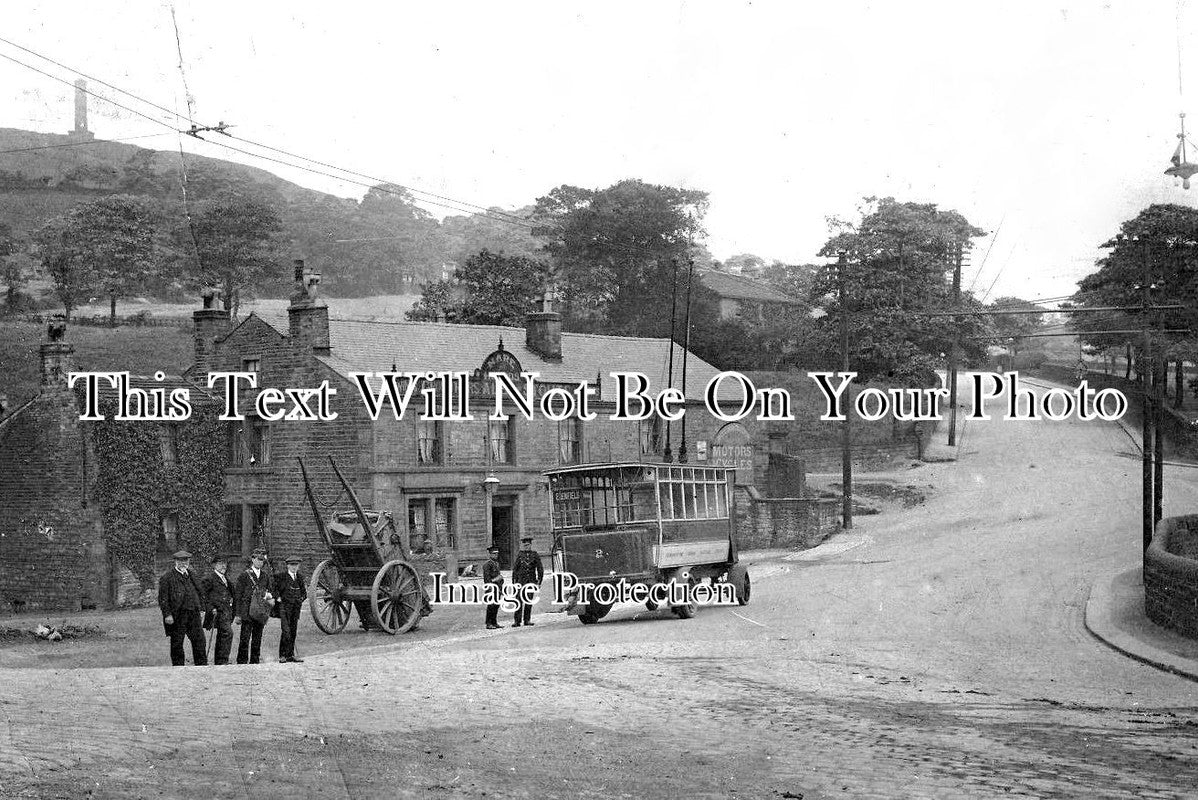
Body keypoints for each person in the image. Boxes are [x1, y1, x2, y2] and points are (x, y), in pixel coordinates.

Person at [157, 550, 207, 666]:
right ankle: (178, 668)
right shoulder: (167, 577)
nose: (183, 563)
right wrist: (167, 615)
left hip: (193, 614)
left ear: (189, 561)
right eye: (180, 561)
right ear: (175, 561)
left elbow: (200, 593)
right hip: (177, 615)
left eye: (185, 560)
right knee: (177, 642)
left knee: (199, 641)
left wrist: (202, 609)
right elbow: (163, 599)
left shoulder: (192, 575)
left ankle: (202, 667)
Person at [234, 548, 275, 665]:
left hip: (259, 612)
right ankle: (241, 662)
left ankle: (255, 662)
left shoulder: (265, 576)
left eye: (262, 560)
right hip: (247, 612)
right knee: (244, 639)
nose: (260, 562)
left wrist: (269, 597)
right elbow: (238, 596)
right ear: (253, 559)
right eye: (258, 559)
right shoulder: (244, 575)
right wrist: (238, 614)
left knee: (257, 639)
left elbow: (269, 591)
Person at [201, 555, 235, 665]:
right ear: (214, 565)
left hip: (227, 612)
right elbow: (203, 596)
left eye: (225, 563)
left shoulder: (226, 579)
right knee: (228, 633)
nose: (223, 566)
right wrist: (211, 608)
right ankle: (222, 661)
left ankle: (220, 661)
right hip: (217, 612)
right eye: (220, 564)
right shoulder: (209, 579)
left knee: (223, 635)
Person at [274, 555, 307, 663]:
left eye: (296, 565)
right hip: (284, 607)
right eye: (292, 565)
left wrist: (300, 600)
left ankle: (290, 655)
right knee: (286, 630)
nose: (294, 567)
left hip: (295, 608)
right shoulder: (281, 576)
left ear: (298, 566)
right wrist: (277, 597)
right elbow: (273, 588)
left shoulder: (300, 577)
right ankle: (282, 655)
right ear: (287, 566)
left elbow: (304, 593)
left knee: (293, 631)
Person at [511, 536, 544, 627]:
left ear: (531, 545)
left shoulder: (535, 555)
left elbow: (540, 569)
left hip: (531, 582)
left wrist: (539, 582)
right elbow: (515, 569)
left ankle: (527, 620)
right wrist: (514, 582)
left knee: (528, 601)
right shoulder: (520, 555)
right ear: (523, 546)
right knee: (519, 601)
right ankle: (517, 621)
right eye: (525, 545)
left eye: (528, 545)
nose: (526, 547)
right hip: (520, 582)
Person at [483, 544, 504, 630]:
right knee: (491, 606)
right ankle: (489, 623)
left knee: (496, 605)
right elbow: (487, 579)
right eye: (494, 554)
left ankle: (494, 622)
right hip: (491, 588)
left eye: (497, 554)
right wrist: (496, 579)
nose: (496, 555)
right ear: (490, 554)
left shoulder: (497, 564)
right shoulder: (487, 564)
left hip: (497, 588)